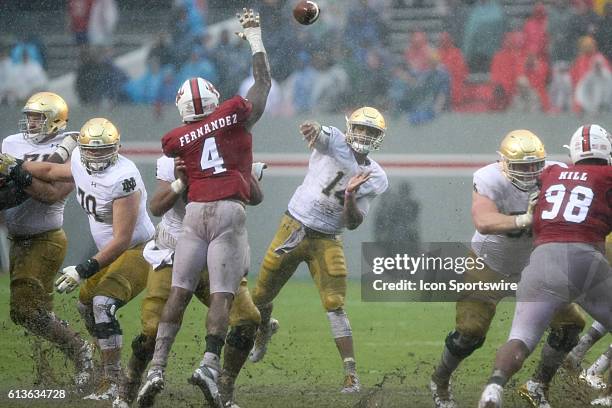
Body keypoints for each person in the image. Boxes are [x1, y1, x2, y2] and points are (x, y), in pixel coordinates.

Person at [136, 8, 271, 408]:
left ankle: (157, 368)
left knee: (177, 293)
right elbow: (263, 82)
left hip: (194, 213)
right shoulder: (232, 116)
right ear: (215, 100)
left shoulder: (177, 139)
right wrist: (254, 36)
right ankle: (209, 364)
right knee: (222, 298)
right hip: (227, 211)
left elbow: (186, 165)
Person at [0, 117, 155, 401]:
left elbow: (122, 239)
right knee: (85, 306)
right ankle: (107, 372)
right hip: (112, 253)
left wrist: (83, 269)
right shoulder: (80, 163)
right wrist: (14, 166)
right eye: (91, 149)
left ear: (117, 147)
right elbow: (49, 169)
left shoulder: (124, 177)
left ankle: (113, 382)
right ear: (82, 148)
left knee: (102, 304)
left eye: (103, 149)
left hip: (138, 250)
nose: (96, 155)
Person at [430, 130, 587, 408]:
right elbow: (483, 220)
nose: (529, 172)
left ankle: (538, 385)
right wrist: (524, 219)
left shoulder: (556, 174)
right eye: (521, 166)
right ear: (503, 163)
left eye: (534, 165)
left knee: (570, 327)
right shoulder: (490, 177)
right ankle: (440, 380)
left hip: (535, 267)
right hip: (490, 264)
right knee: (469, 332)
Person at [249, 106, 389, 393]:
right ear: (350, 128)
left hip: (328, 238)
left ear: (379, 138)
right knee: (260, 296)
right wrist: (311, 127)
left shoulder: (376, 177)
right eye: (361, 128)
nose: (363, 134)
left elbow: (353, 223)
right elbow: (319, 131)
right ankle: (264, 328)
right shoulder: (335, 139)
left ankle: (351, 374)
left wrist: (350, 195)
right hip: (294, 227)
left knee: (335, 304)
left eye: (371, 131)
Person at [478, 124, 612, 408]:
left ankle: (494, 389)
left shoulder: (552, 173)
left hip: (540, 259)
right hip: (585, 258)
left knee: (521, 338)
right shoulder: (608, 176)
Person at [116, 156, 266, 408]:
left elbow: (256, 197)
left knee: (247, 319)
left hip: (217, 251)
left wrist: (242, 166)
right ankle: (129, 387)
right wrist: (179, 183)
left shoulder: (232, 147)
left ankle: (223, 390)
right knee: (152, 329)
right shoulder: (174, 158)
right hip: (174, 250)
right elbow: (156, 207)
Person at [0, 92, 93, 391]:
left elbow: (51, 193)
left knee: (24, 310)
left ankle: (81, 350)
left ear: (54, 120)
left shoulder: (71, 149)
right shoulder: (11, 143)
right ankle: (59, 363)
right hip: (17, 238)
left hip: (46, 239)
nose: (30, 122)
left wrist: (17, 172)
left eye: (37, 117)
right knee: (34, 314)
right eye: (29, 116)